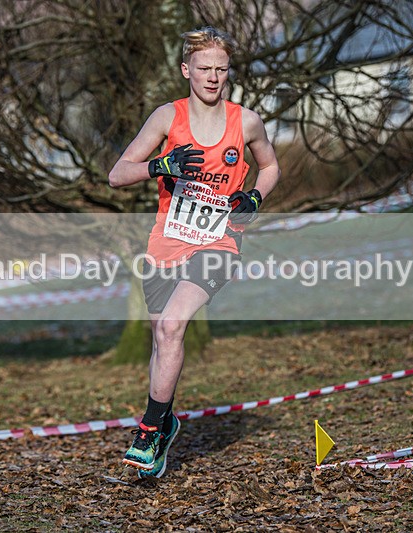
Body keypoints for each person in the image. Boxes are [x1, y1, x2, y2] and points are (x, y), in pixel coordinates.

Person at [108, 26, 280, 478]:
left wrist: (256, 197)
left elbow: (270, 165)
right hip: (166, 243)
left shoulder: (247, 122)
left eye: (221, 69)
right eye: (204, 68)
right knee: (163, 339)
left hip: (219, 242)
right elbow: (117, 174)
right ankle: (165, 424)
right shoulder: (167, 117)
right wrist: (159, 165)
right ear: (187, 70)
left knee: (172, 323)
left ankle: (147, 429)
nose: (213, 77)